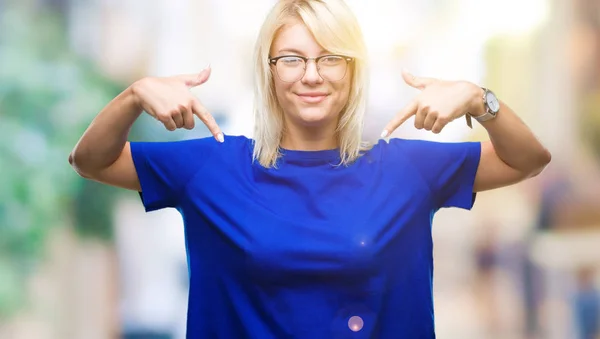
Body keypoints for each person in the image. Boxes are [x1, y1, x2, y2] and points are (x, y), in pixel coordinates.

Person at [69, 0, 551, 337]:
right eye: (293, 59)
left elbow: (527, 160)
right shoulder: (210, 167)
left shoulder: (407, 169)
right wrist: (134, 97)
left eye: (331, 58)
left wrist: (477, 97)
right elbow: (91, 161)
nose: (312, 75)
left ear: (353, 70)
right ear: (269, 70)